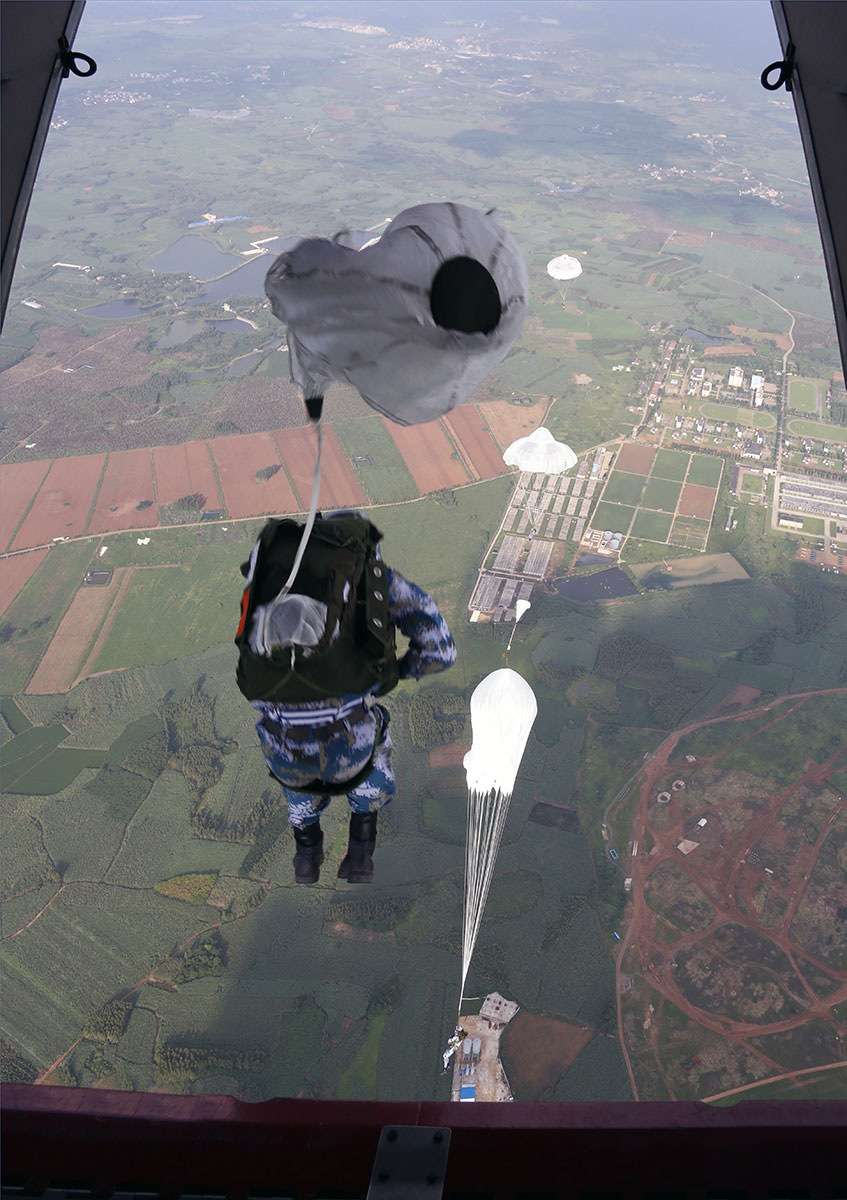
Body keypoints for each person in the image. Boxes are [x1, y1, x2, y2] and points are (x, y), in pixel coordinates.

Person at [235, 510, 456, 885]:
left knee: (292, 745)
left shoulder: (268, 587)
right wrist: (392, 673)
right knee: (374, 727)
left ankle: (306, 856)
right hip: (354, 748)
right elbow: (440, 652)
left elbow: (251, 674)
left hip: (286, 755)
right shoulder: (376, 580)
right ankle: (360, 851)